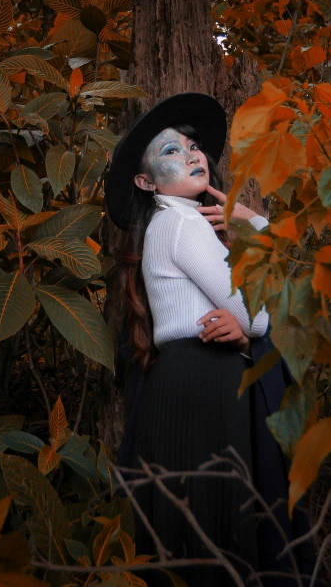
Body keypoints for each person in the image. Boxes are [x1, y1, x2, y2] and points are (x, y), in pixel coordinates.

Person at [106, 93, 313, 586]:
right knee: (220, 537)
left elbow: (250, 307)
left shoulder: (165, 224)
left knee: (188, 539)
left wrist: (250, 225)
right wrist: (256, 231)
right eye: (171, 151)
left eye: (193, 145)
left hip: (186, 382)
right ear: (145, 180)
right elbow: (258, 312)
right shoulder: (181, 221)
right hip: (206, 383)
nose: (193, 154)